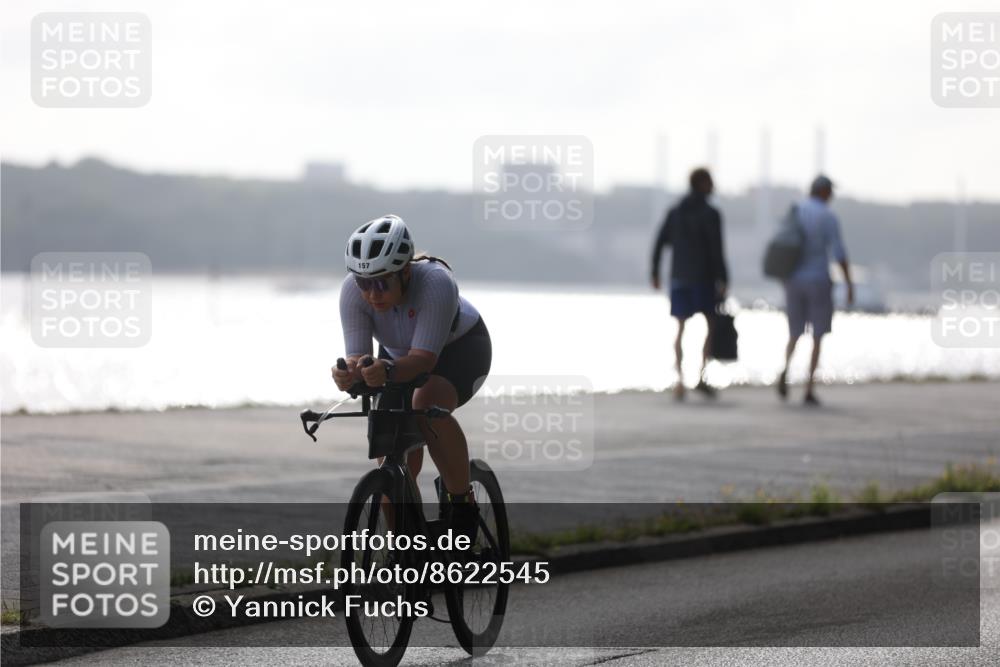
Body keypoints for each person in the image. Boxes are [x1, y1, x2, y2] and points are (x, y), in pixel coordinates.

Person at [333, 214, 491, 537]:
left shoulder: (436, 282)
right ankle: (407, 547)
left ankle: (462, 504)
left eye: (382, 283)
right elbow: (358, 357)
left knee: (425, 404)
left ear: (405, 272)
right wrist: (348, 373)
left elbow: (422, 361)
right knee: (390, 454)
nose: (372, 294)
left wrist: (386, 370)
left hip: (458, 350)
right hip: (396, 357)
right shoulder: (352, 291)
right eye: (364, 283)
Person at [650, 167, 729, 400]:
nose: (713, 186)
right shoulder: (711, 214)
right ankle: (701, 377)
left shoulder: (675, 212)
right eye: (710, 182)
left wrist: (655, 271)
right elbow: (717, 249)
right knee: (710, 325)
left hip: (679, 277)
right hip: (703, 278)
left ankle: (680, 382)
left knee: (680, 327)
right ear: (702, 183)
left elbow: (659, 242)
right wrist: (724, 278)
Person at [778, 175, 854, 406]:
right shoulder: (828, 216)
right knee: (817, 335)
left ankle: (785, 370)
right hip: (818, 280)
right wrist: (849, 283)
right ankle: (809, 388)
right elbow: (839, 252)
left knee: (794, 332)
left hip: (793, 279)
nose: (832, 196)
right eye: (830, 191)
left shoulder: (795, 211)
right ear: (823, 192)